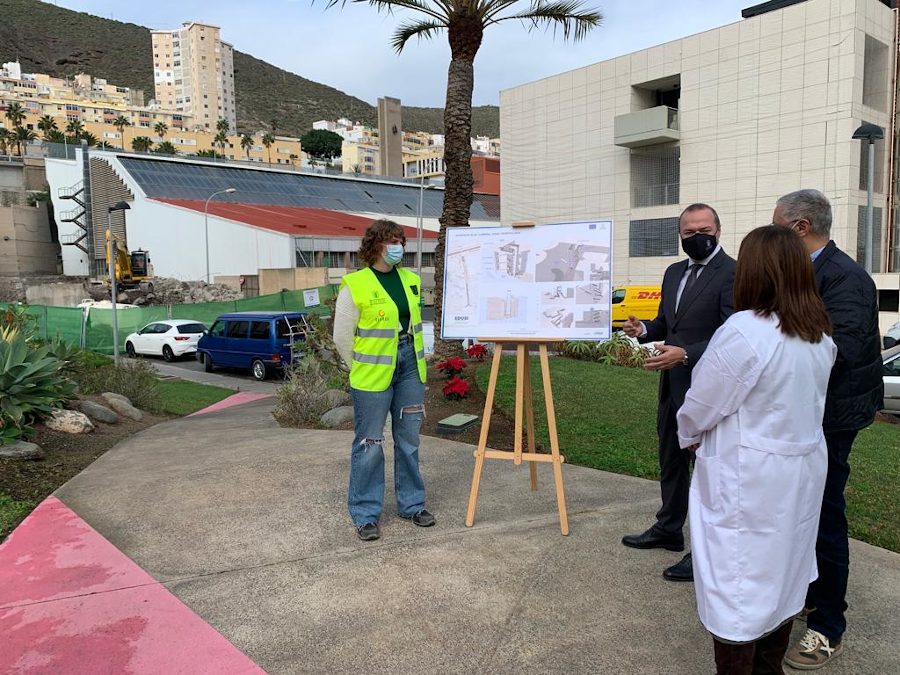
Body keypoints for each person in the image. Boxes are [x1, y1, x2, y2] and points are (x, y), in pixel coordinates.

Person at [676, 224, 836, 675]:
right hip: (799, 474)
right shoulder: (819, 336)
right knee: (784, 575)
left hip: (748, 476)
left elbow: (703, 403)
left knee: (737, 585)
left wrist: (686, 435)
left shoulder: (746, 331)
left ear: (753, 272)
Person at [771, 190, 883, 669]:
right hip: (802, 412)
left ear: (799, 227)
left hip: (832, 418)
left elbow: (841, 350)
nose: (773, 235)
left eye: (777, 226)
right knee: (797, 511)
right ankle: (806, 595)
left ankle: (827, 625)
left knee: (822, 515)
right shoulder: (803, 273)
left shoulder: (846, 278)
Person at [621, 203, 736, 582]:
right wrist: (644, 331)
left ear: (718, 231)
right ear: (681, 236)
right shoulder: (673, 272)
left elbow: (732, 334)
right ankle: (668, 529)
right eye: (688, 231)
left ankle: (703, 552)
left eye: (703, 229)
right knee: (670, 459)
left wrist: (687, 354)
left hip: (710, 388)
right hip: (671, 386)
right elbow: (667, 323)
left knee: (706, 469)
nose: (696, 236)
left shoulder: (733, 273)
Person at [333, 219, 435, 541]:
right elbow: (341, 338)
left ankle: (412, 504)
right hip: (373, 375)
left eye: (401, 242)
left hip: (410, 370)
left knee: (409, 440)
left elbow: (412, 326)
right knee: (370, 444)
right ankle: (365, 514)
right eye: (393, 241)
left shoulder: (411, 280)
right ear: (376, 245)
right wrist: (359, 367)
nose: (399, 248)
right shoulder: (356, 284)